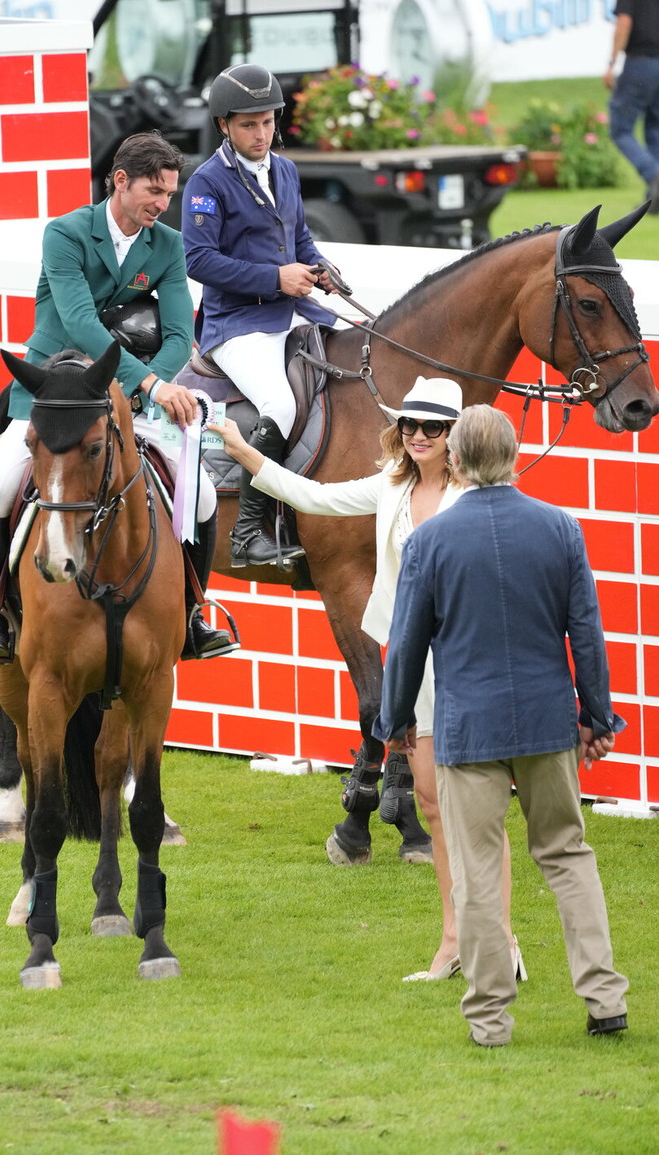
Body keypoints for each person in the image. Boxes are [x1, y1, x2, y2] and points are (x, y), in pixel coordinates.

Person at [210, 378, 523, 982]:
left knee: (478, 812)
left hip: (469, 662)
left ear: (454, 434)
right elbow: (309, 495)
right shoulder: (390, 486)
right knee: (432, 805)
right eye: (409, 424)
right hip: (413, 662)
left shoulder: (481, 493)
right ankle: (454, 942)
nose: (418, 436)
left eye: (432, 427)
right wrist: (244, 451)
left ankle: (503, 942)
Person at [374, 405, 629, 1046]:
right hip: (548, 720)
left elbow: (405, 645)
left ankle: (490, 1019)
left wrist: (396, 720)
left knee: (476, 870)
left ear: (455, 461)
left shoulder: (429, 542)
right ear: (514, 456)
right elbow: (587, 636)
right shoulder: (562, 527)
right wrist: (597, 716)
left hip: (467, 729)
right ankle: (605, 998)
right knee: (568, 855)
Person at [0, 131, 235, 665]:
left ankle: (194, 611)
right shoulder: (66, 233)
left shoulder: (168, 245)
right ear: (120, 181)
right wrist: (151, 384)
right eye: (154, 192)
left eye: (169, 194)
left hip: (129, 397)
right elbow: (80, 324)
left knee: (201, 494)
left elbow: (182, 333)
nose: (163, 205)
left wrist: (150, 386)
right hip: (53, 387)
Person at [181, 64, 344, 569]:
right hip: (237, 324)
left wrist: (321, 267)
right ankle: (248, 533)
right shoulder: (206, 183)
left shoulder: (286, 169)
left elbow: (298, 240)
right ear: (224, 126)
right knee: (281, 402)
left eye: (268, 122)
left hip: (294, 310)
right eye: (249, 125)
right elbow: (199, 260)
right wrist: (275, 278)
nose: (261, 134)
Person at [604, 0, 659, 211]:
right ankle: (655, 199)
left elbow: (624, 22)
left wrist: (611, 63)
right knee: (655, 130)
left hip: (640, 64)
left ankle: (654, 175)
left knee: (620, 129)